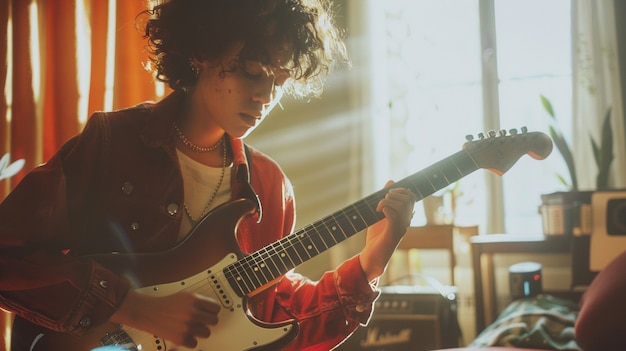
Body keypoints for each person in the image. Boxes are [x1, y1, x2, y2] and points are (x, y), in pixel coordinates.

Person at [0, 0, 417, 350]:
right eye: (252, 70)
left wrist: (370, 263)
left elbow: (274, 318)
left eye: (280, 80)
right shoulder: (111, 141)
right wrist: (134, 308)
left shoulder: (269, 186)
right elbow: (9, 256)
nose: (265, 96)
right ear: (201, 50)